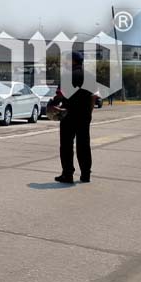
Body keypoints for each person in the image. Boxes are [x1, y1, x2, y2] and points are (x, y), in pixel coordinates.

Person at [51, 51, 97, 183]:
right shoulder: (89, 76)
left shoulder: (67, 76)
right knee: (84, 145)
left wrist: (53, 105)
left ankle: (68, 174)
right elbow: (93, 97)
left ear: (73, 61)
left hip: (68, 115)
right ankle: (86, 174)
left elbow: (60, 96)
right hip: (84, 116)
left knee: (66, 145)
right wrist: (89, 113)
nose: (65, 63)